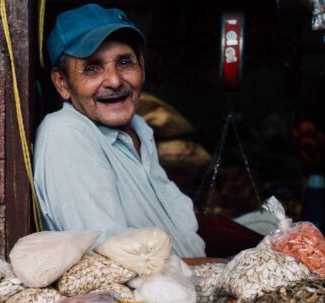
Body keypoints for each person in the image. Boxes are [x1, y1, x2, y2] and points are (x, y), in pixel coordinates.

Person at [33, 3, 206, 258]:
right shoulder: (66, 135)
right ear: (62, 83)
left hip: (188, 286)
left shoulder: (140, 129)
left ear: (142, 68)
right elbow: (112, 257)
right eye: (92, 68)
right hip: (143, 296)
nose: (114, 81)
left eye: (125, 62)